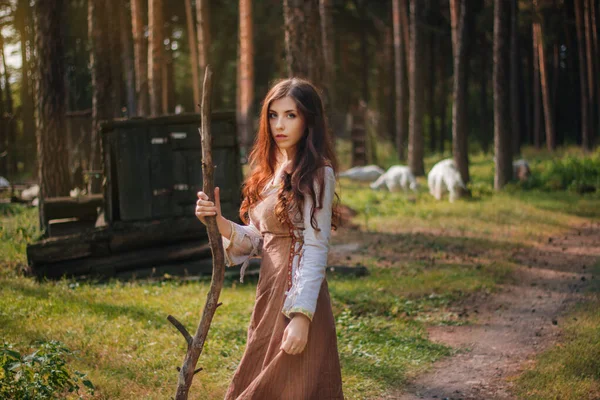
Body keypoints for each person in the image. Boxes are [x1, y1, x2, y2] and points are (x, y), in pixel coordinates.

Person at [195, 78, 344, 399]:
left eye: (291, 115)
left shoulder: (318, 173)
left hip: (299, 294)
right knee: (259, 373)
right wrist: (218, 222)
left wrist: (302, 317)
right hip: (268, 291)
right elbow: (259, 241)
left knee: (293, 384)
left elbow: (316, 247)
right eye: (273, 115)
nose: (280, 124)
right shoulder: (267, 173)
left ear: (309, 120)